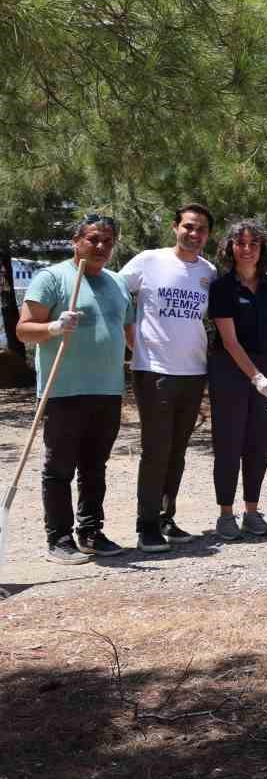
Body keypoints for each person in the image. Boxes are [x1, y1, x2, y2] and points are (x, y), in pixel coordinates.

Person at [18, 215, 134, 563]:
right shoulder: (52, 278)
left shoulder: (117, 283)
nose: (101, 247)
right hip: (63, 390)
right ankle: (59, 538)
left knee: (95, 466)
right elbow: (24, 329)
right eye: (94, 239)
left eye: (107, 241)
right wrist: (53, 326)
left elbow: (129, 333)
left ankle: (91, 531)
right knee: (59, 468)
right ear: (76, 241)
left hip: (108, 390)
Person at [121, 203, 217, 551]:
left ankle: (165, 517)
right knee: (156, 450)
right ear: (175, 226)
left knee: (177, 451)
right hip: (155, 371)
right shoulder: (149, 260)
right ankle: (145, 525)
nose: (194, 234)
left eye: (201, 229)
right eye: (188, 227)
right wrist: (131, 338)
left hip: (193, 372)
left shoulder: (208, 272)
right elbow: (117, 294)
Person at [206, 219, 267, 541]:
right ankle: (226, 515)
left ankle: (252, 512)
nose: (247, 249)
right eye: (240, 243)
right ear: (231, 248)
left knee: (257, 444)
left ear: (261, 249)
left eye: (253, 243)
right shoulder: (222, 287)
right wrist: (255, 377)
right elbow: (230, 341)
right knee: (229, 444)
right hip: (230, 370)